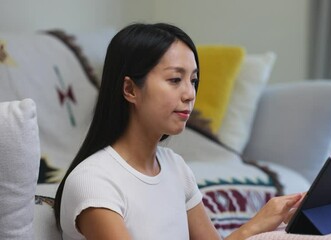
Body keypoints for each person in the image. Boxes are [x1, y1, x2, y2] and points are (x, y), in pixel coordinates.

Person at [53, 22, 305, 240]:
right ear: (130, 89)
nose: (190, 94)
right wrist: (253, 227)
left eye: (193, 80)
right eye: (175, 80)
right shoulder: (94, 182)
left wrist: (266, 221)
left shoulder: (176, 168)